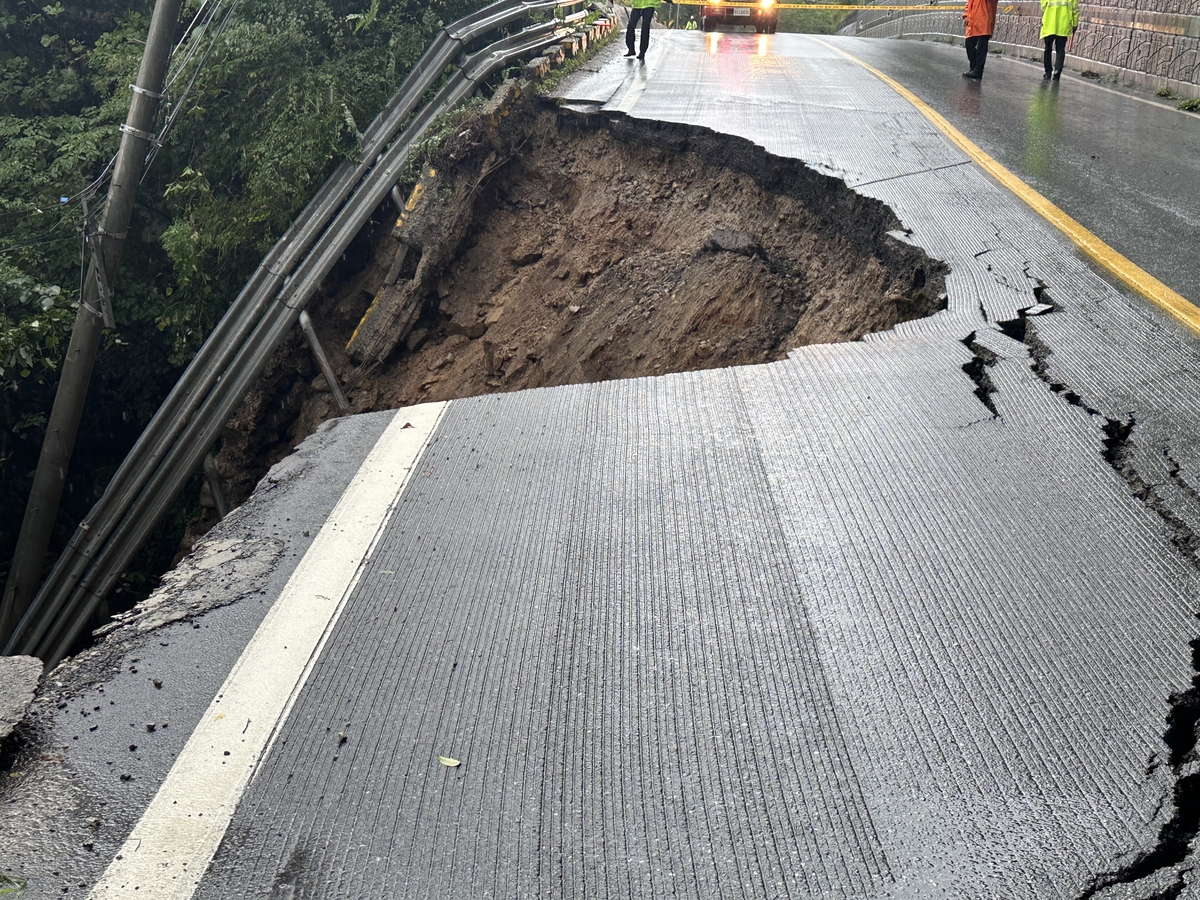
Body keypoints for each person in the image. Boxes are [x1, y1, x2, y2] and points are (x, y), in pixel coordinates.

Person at [1040, 0, 1079, 80]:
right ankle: (1057, 74)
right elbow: (1075, 10)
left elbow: (1043, 6)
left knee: (1048, 49)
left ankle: (1048, 73)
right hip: (1063, 26)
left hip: (1050, 25)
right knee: (1060, 49)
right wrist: (1075, 24)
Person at [961, 0, 998, 80]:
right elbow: (970, 2)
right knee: (969, 43)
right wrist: (966, 15)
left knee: (982, 45)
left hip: (984, 17)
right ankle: (973, 67)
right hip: (973, 18)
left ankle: (978, 70)